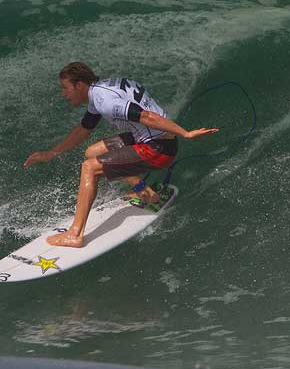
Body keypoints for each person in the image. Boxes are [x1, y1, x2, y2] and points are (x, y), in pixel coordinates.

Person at [23, 61, 219, 248]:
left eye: (65, 88)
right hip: (145, 137)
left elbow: (147, 116)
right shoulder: (100, 90)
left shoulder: (104, 100)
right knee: (92, 152)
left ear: (80, 85)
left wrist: (185, 133)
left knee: (89, 168)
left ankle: (75, 234)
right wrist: (51, 154)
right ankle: (145, 191)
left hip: (157, 148)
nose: (63, 94)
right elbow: (84, 129)